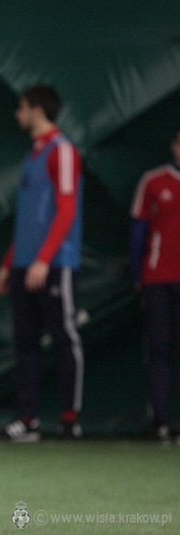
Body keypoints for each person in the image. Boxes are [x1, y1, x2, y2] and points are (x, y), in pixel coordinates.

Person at [0, 84, 84, 443]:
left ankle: (69, 419)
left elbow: (67, 210)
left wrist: (44, 261)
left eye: (22, 107)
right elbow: (29, 221)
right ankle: (27, 420)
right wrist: (9, 264)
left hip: (55, 265)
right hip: (24, 265)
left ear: (36, 110)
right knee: (25, 343)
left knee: (64, 337)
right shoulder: (33, 155)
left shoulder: (62, 151)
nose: (18, 114)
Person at [129, 129, 180, 443]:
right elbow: (138, 231)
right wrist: (138, 275)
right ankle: (160, 422)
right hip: (157, 280)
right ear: (174, 146)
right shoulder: (153, 181)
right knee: (159, 350)